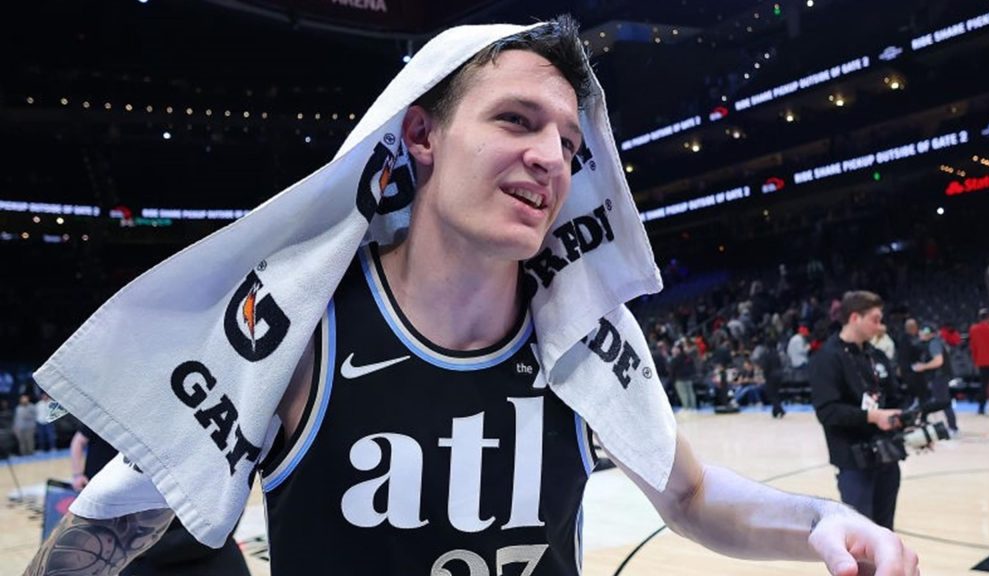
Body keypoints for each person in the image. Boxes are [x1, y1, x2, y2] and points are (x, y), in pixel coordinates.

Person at [26, 18, 918, 576]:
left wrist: (824, 520)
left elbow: (687, 496)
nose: (551, 157)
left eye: (569, 143)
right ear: (421, 134)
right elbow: (100, 537)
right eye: (516, 120)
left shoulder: (586, 334)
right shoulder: (297, 334)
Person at [69, 426, 252, 576]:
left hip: (204, 563)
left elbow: (217, 528)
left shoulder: (216, 457)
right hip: (146, 561)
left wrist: (141, 548)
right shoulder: (133, 455)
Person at [810, 291, 906, 530]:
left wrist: (909, 425)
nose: (879, 325)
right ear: (855, 318)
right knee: (861, 533)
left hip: (887, 457)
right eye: (874, 319)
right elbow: (828, 412)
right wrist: (873, 417)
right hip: (854, 462)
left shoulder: (878, 356)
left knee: (885, 532)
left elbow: (895, 400)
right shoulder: (827, 358)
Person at [911, 325, 958, 434]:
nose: (920, 334)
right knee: (943, 401)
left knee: (943, 402)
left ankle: (952, 427)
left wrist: (923, 366)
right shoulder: (932, 342)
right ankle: (925, 418)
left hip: (940, 376)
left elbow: (938, 361)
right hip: (939, 376)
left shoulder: (934, 343)